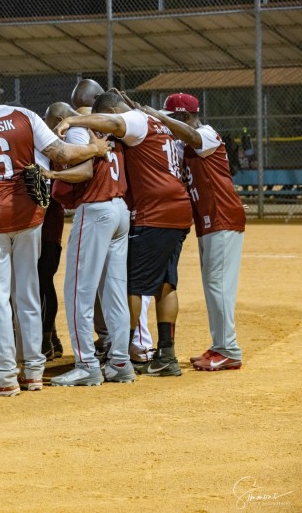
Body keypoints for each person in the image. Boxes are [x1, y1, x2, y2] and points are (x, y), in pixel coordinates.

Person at [0, 74, 109, 396]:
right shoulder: (24, 115)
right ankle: (34, 371)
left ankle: (3, 376)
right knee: (27, 292)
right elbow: (62, 154)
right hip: (29, 215)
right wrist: (94, 148)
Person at [56, 91, 193, 377]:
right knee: (165, 284)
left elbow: (115, 123)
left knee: (124, 288)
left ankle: (113, 357)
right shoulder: (159, 122)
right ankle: (163, 354)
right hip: (176, 210)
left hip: (148, 213)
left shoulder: (133, 120)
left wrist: (73, 119)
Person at [140, 93, 246, 371]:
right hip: (209, 221)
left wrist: (159, 116)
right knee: (213, 284)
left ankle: (230, 350)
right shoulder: (184, 144)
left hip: (223, 218)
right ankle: (220, 345)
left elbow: (194, 137)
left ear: (185, 117)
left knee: (218, 285)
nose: (169, 124)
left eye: (173, 118)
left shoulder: (206, 134)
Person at [42, 102, 133, 386]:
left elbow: (85, 172)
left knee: (79, 291)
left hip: (96, 210)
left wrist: (54, 175)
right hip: (120, 209)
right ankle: (120, 362)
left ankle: (86, 364)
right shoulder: (111, 129)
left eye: (51, 123)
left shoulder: (77, 130)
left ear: (60, 118)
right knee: (114, 292)